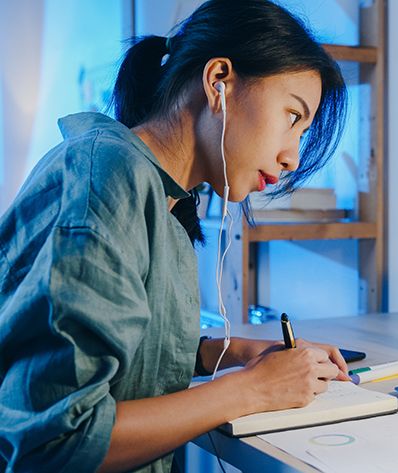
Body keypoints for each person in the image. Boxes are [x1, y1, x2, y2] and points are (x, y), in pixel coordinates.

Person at [0, 1, 351, 471]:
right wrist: (251, 388)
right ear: (218, 81)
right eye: (292, 117)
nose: (292, 157)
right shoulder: (107, 179)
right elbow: (57, 441)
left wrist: (228, 354)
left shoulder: (167, 198)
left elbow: (124, 357)